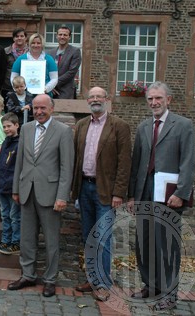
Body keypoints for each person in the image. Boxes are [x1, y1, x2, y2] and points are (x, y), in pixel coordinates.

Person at [128, 81, 195, 311]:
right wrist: (132, 195)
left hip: (169, 195)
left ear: (169, 100)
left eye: (158, 98)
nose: (154, 102)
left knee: (166, 244)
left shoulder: (183, 125)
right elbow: (136, 162)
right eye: (150, 99)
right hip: (145, 191)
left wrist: (181, 193)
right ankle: (151, 285)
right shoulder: (144, 127)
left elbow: (188, 162)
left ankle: (169, 293)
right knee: (144, 242)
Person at [8, 94, 74, 298]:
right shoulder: (26, 129)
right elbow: (20, 162)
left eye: (43, 108)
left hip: (51, 194)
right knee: (27, 238)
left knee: (52, 240)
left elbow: (66, 166)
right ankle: (28, 275)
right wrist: (16, 189)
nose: (38, 112)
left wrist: (62, 196)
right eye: (35, 108)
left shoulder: (63, 131)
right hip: (27, 191)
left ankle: (50, 279)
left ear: (52, 109)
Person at [71, 87, 131, 302]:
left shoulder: (119, 127)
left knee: (103, 237)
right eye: (92, 97)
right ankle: (93, 279)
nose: (95, 99)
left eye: (99, 96)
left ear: (107, 99)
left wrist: (119, 193)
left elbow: (124, 163)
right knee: (88, 237)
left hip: (106, 191)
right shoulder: (81, 125)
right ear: (88, 101)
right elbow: (76, 159)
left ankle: (104, 284)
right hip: (84, 188)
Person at [0, 112, 20, 255]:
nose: (6, 129)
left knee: (15, 217)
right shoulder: (5, 142)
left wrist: (17, 189)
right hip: (2, 185)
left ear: (17, 125)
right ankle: (5, 240)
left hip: (13, 187)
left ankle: (16, 242)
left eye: (9, 126)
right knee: (5, 215)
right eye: (4, 127)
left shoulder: (20, 143)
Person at [51, 26, 81, 99]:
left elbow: (71, 72)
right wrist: (48, 86)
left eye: (65, 35)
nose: (62, 37)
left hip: (66, 91)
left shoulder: (75, 51)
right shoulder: (50, 52)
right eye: (60, 34)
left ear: (69, 37)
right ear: (56, 36)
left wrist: (53, 84)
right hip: (50, 91)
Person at [3, 28, 29, 98]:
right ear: (13, 38)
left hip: (27, 87)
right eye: (17, 36)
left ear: (26, 38)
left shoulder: (31, 52)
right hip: (9, 87)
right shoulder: (5, 51)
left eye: (21, 36)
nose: (19, 38)